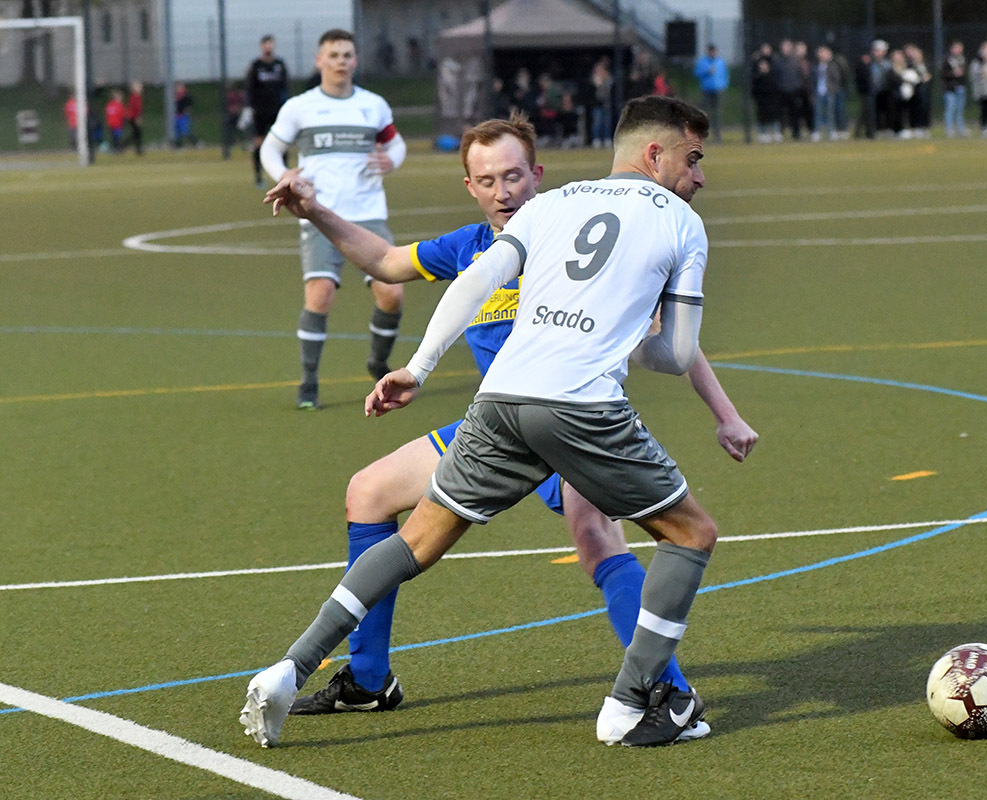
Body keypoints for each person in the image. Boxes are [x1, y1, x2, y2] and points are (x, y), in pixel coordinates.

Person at [241, 95, 724, 749]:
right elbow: (390, 263)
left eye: (514, 176)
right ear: (468, 185)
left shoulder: (548, 217)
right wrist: (318, 211)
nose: (502, 190)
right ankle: (367, 677)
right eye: (488, 180)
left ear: (539, 174)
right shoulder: (513, 236)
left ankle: (660, 685)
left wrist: (418, 365)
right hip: (568, 413)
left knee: (589, 537)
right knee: (372, 492)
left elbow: (468, 289)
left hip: (503, 411)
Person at [259, 28, 408, 410]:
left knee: (392, 293)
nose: (341, 61)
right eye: (333, 55)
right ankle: (309, 384)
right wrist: (285, 175)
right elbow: (271, 149)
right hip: (319, 216)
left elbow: (394, 142)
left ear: (355, 61)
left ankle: (378, 362)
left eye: (347, 55)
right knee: (320, 295)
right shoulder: (300, 106)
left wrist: (393, 158)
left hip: (368, 214)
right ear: (319, 60)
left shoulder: (373, 105)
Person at [246, 34, 290, 188]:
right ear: (262, 46)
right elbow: (250, 88)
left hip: (277, 110)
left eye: (271, 44)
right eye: (266, 44)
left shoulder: (280, 65)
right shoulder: (256, 66)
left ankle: (285, 176)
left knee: (283, 142)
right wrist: (250, 107)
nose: (268, 47)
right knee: (259, 142)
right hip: (260, 111)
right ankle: (258, 177)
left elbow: (285, 87)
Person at [693, 44, 728, 143]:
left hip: (717, 90)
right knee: (704, 113)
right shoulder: (703, 62)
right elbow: (696, 73)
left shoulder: (720, 62)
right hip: (706, 90)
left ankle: (717, 135)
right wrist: (706, 71)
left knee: (717, 113)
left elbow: (724, 75)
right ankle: (703, 134)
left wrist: (723, 85)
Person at [942, 41, 968, 137]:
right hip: (950, 89)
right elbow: (943, 74)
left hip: (960, 88)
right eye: (956, 48)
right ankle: (949, 129)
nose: (958, 50)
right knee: (950, 109)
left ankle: (961, 129)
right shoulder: (947, 60)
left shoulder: (962, 60)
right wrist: (953, 74)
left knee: (960, 109)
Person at [173, 82, 197, 148]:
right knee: (177, 131)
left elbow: (189, 104)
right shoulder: (175, 96)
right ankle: (178, 145)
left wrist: (187, 110)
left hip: (183, 116)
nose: (177, 88)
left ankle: (195, 142)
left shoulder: (186, 96)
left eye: (179, 87)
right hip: (176, 116)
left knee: (185, 130)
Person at [104, 89, 126, 153]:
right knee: (117, 137)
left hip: (114, 124)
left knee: (115, 137)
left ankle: (116, 148)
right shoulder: (116, 105)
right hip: (116, 124)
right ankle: (117, 149)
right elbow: (121, 114)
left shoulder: (111, 104)